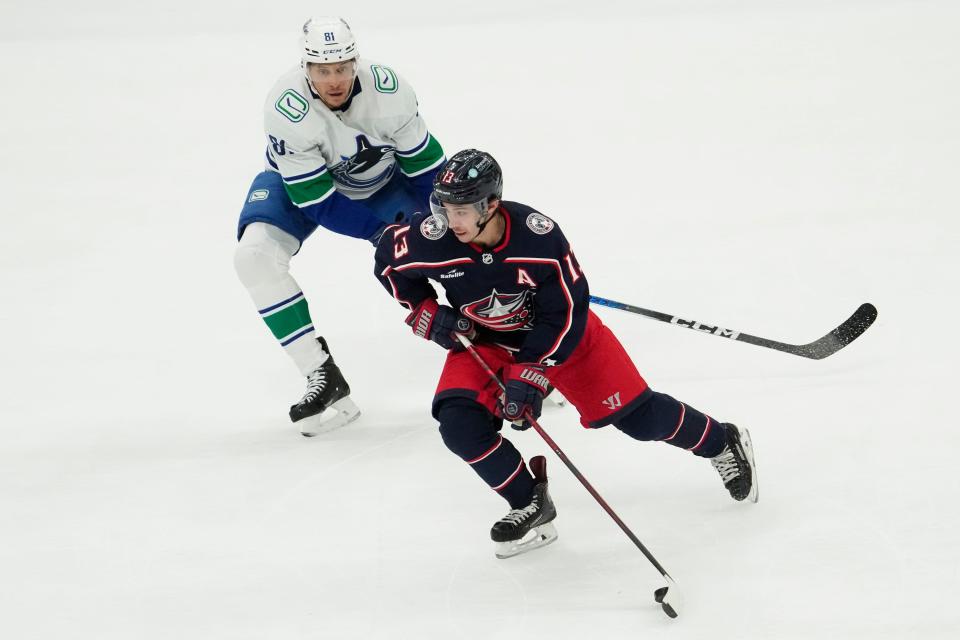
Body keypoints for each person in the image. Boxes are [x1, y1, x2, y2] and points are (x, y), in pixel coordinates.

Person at [374, 149, 757, 558]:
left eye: (464, 210)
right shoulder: (430, 238)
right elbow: (386, 263)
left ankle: (720, 441)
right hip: (488, 340)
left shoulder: (538, 237)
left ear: (491, 204)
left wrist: (532, 371)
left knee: (638, 419)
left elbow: (566, 311)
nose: (453, 221)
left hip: (563, 338)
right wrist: (424, 310)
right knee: (459, 425)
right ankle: (529, 502)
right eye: (446, 208)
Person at [233, 17, 445, 435]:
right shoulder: (286, 107)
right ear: (306, 68)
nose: (334, 80)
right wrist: (382, 234)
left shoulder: (390, 90)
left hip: (384, 180)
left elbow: (426, 170)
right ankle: (321, 373)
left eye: (342, 67)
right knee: (254, 257)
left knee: (447, 243)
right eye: (322, 70)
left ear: (355, 61)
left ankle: (513, 351)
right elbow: (317, 200)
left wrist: (438, 227)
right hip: (306, 186)